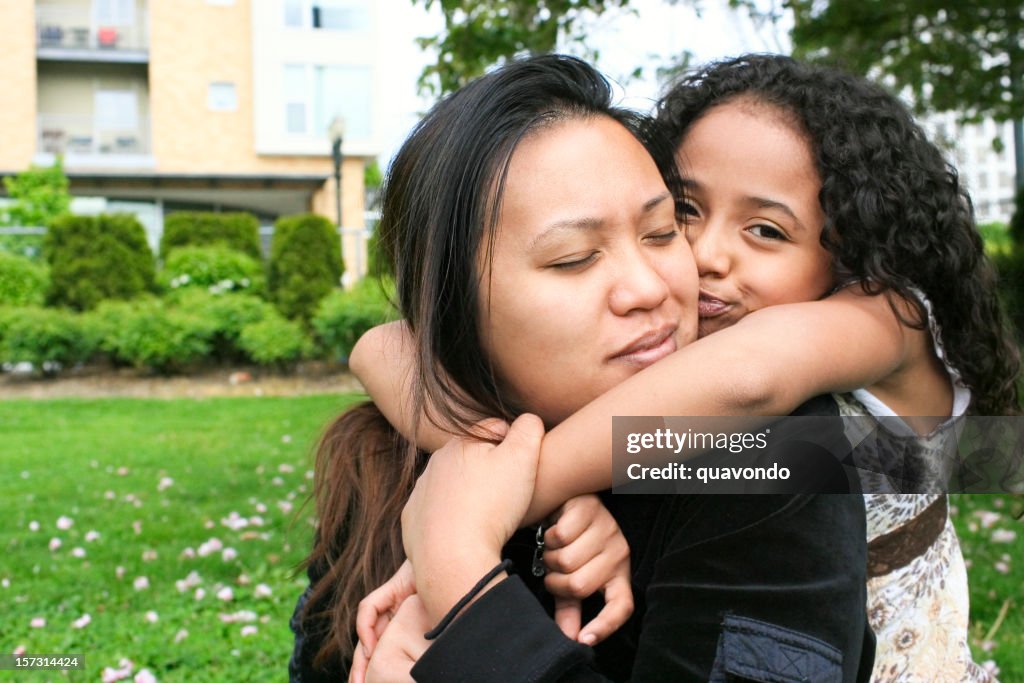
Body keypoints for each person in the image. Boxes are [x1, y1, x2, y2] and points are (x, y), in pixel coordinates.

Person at [355, 55, 1020, 682]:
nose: (704, 253)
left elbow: (752, 379)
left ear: (851, 249)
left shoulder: (886, 318)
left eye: (765, 230)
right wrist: (498, 476)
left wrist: (489, 510)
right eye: (685, 212)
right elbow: (382, 346)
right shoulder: (694, 354)